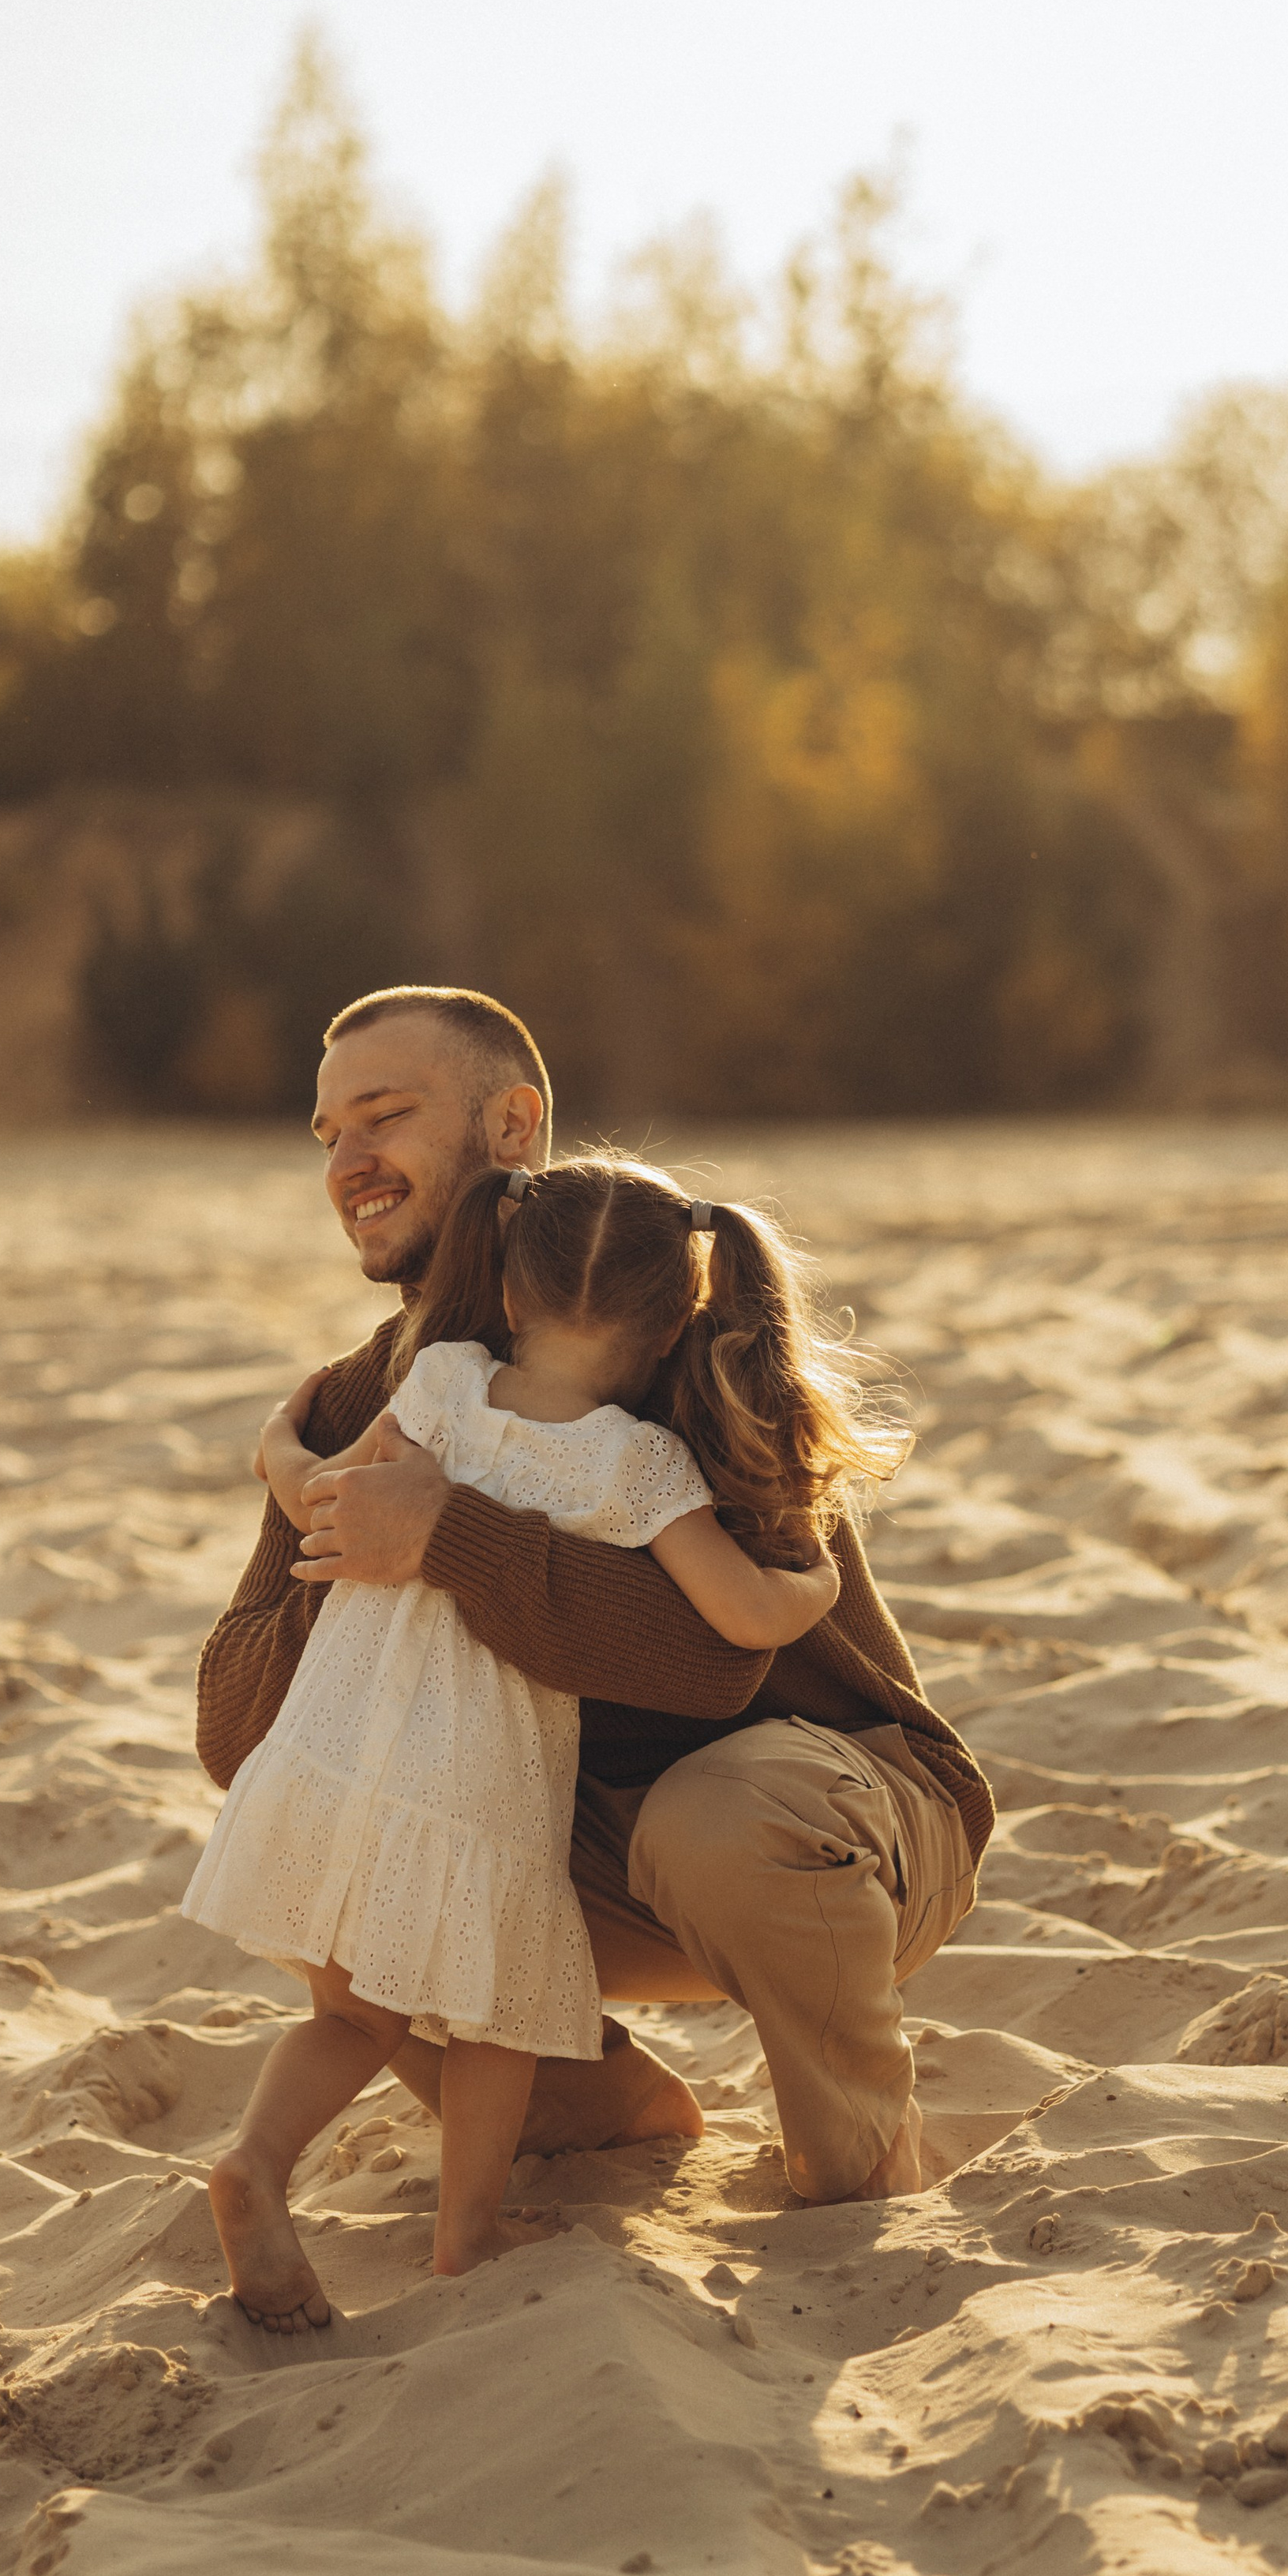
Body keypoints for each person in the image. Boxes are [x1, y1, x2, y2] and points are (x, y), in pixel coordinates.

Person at [196, 985, 991, 2220]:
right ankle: (593, 2108)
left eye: (385, 1115)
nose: (349, 1161)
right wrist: (352, 1548)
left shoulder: (688, 1346)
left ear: (513, 1125)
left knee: (713, 1817)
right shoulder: (377, 1402)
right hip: (570, 1850)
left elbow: (710, 1669)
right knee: (325, 1826)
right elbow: (231, 1725)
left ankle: (860, 2165)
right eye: (326, 1135)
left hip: (829, 1826)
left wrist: (450, 1538)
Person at [184, 1151, 875, 2330]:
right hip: (480, 1766)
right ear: (670, 1336)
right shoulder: (636, 1459)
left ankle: (255, 2159)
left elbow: (322, 1498)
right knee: (501, 2010)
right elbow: (744, 1618)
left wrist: (277, 1452)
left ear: (508, 1295)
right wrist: (811, 1582)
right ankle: (470, 2234)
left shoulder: (446, 1381)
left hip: (344, 1742)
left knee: (350, 2014)